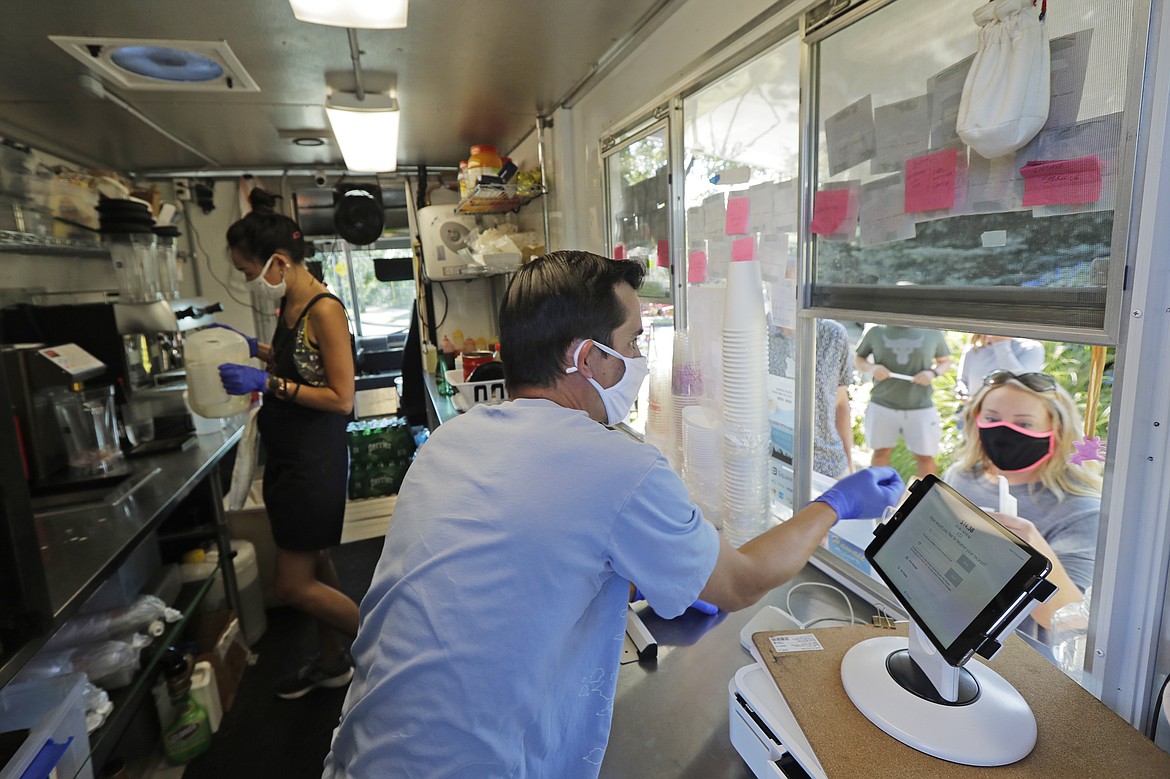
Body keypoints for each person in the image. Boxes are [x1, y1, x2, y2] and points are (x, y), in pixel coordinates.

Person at [322, 251, 904, 778]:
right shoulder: (617, 466)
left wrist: (626, 577)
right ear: (585, 358)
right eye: (629, 346)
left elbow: (505, 559)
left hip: (362, 750)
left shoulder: (453, 441)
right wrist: (837, 503)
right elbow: (739, 582)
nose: (638, 363)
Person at [216, 188, 361, 699]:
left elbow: (342, 398)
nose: (248, 282)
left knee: (291, 585)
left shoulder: (324, 310)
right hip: (288, 458)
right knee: (315, 562)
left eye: (247, 272)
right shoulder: (290, 307)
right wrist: (250, 350)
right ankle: (332, 661)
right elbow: (298, 363)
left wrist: (267, 384)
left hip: (313, 465)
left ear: (277, 263)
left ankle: (385, 649)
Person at [943, 369, 1102, 640]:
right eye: (992, 418)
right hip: (942, 627)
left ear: (1057, 429)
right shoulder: (960, 476)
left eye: (1024, 424)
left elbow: (1070, 626)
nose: (1005, 432)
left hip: (1012, 662)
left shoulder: (1082, 510)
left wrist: (1032, 559)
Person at [854, 324, 952, 478]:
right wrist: (872, 368)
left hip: (920, 406)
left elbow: (945, 361)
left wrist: (933, 373)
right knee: (881, 452)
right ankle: (880, 496)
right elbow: (859, 359)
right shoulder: (876, 331)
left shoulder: (933, 332)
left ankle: (925, 499)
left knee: (925, 457)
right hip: (882, 404)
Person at [769, 318, 854, 477]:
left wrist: (850, 464)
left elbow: (840, 403)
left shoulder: (833, 334)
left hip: (826, 465)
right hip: (775, 462)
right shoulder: (759, 331)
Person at [956, 334, 1045, 403]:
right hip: (973, 415)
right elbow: (962, 380)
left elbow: (1021, 383)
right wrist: (963, 393)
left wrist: (1001, 344)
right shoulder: (974, 349)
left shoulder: (1031, 348)